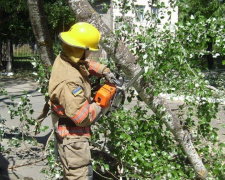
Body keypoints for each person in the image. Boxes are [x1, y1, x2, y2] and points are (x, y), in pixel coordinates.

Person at [48, 22, 115, 180]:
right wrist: (101, 102)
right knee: (78, 176)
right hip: (73, 138)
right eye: (87, 50)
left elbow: (85, 64)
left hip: (67, 131)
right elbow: (82, 117)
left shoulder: (66, 57)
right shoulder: (70, 81)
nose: (89, 54)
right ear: (79, 50)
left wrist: (103, 71)